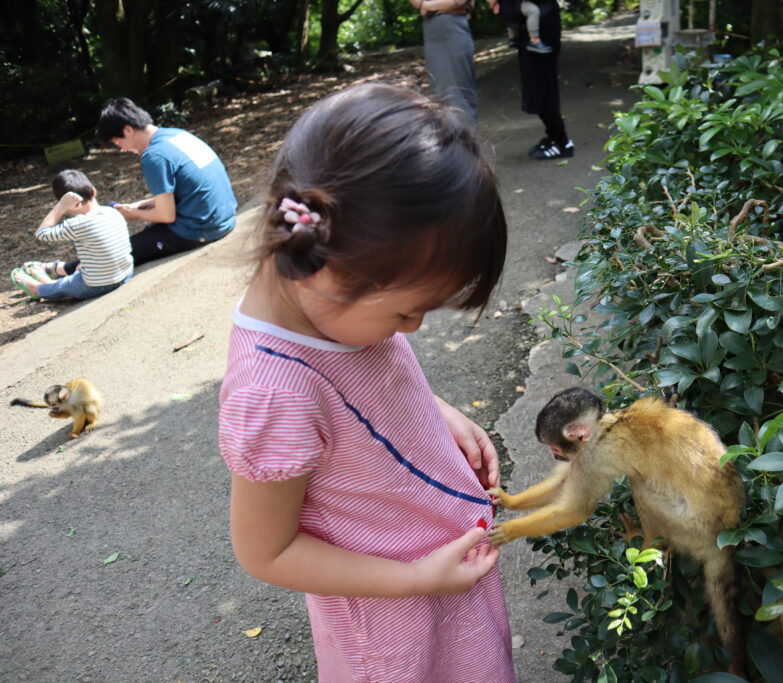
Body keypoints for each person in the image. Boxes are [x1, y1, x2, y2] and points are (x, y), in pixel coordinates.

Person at [218, 83, 515, 682]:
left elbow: (368, 379)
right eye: (406, 313)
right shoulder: (274, 394)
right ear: (322, 268)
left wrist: (435, 411)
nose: (415, 326)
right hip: (395, 628)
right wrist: (413, 580)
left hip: (442, 579)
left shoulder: (342, 314)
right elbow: (265, 551)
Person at [40, 97, 237, 280]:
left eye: (117, 142)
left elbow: (166, 215)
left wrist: (133, 213)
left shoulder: (154, 156)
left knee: (118, 252)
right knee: (149, 233)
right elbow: (188, 189)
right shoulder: (177, 135)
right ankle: (65, 268)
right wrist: (139, 205)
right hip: (224, 218)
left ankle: (63, 270)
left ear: (128, 130)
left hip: (202, 230)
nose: (122, 149)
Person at [11, 169, 132, 301]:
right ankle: (54, 279)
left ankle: (39, 289)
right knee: (78, 272)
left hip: (99, 284)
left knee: (65, 286)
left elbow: (42, 233)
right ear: (94, 191)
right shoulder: (112, 212)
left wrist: (60, 206)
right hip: (126, 274)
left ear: (72, 205)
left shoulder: (77, 223)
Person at [491, 0, 573, 159]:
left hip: (543, 28)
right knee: (535, 87)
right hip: (527, 30)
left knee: (543, 86)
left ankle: (562, 142)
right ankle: (553, 136)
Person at [410, 0, 478, 121]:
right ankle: (455, 137)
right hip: (434, 29)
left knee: (459, 98)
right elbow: (417, 3)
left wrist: (427, 6)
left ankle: (465, 137)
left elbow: (461, 3)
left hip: (453, 25)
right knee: (443, 99)